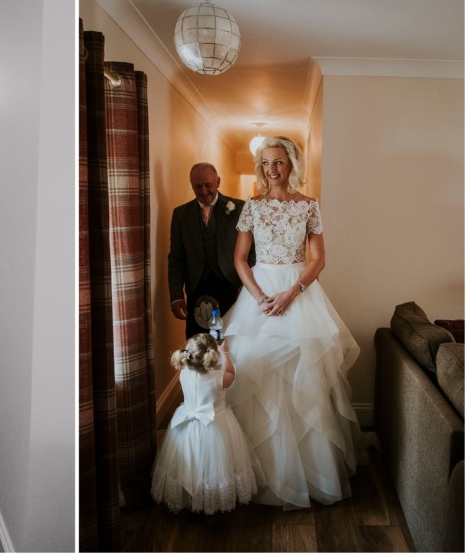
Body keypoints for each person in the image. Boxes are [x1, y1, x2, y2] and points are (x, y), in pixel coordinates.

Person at [223, 136, 360, 509]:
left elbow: (318, 259)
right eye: (266, 163)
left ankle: (312, 473)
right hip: (260, 294)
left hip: (299, 294)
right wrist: (259, 297)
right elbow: (240, 258)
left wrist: (292, 293)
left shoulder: (309, 206)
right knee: (256, 373)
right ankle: (257, 472)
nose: (272, 170)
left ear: (292, 164)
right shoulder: (252, 206)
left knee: (308, 376)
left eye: (278, 162)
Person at [150, 333, 266, 514]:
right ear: (212, 356)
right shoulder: (219, 376)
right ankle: (212, 497)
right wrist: (225, 353)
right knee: (215, 464)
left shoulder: (183, 373)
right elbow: (231, 374)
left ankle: (190, 493)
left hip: (185, 424)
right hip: (215, 425)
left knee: (190, 460)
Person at [168, 163, 253, 338]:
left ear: (218, 182)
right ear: (191, 185)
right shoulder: (180, 214)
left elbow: (252, 252)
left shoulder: (240, 208)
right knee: (198, 343)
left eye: (208, 185)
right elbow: (176, 258)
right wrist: (176, 296)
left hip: (232, 288)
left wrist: (246, 285)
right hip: (196, 289)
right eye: (198, 186)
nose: (204, 190)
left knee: (231, 340)